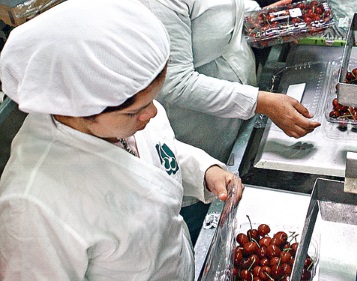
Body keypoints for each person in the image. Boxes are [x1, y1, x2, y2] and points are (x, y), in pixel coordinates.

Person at [0, 0, 243, 280]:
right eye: (135, 111)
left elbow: (158, 152)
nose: (152, 112)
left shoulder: (122, 117)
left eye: (152, 99)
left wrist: (204, 171)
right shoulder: (34, 206)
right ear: (80, 108)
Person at [137, 0, 321, 244]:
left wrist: (264, 20)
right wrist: (259, 102)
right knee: (198, 234)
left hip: (232, 126)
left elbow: (227, 11)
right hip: (195, 137)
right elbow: (175, 83)